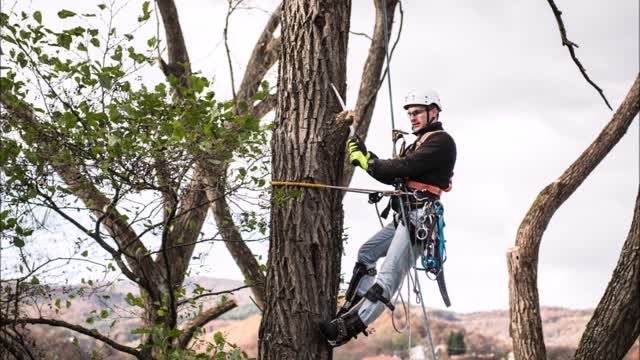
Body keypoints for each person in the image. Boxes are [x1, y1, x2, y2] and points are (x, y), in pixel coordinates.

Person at [319, 89, 457, 347]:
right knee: (367, 253)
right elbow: (392, 173)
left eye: (417, 113)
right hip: (405, 215)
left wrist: (367, 161)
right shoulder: (418, 142)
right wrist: (367, 158)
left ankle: (344, 329)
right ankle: (354, 305)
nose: (412, 118)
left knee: (388, 276)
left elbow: (405, 168)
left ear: (434, 111)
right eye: (410, 114)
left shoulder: (441, 142)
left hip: (419, 220)